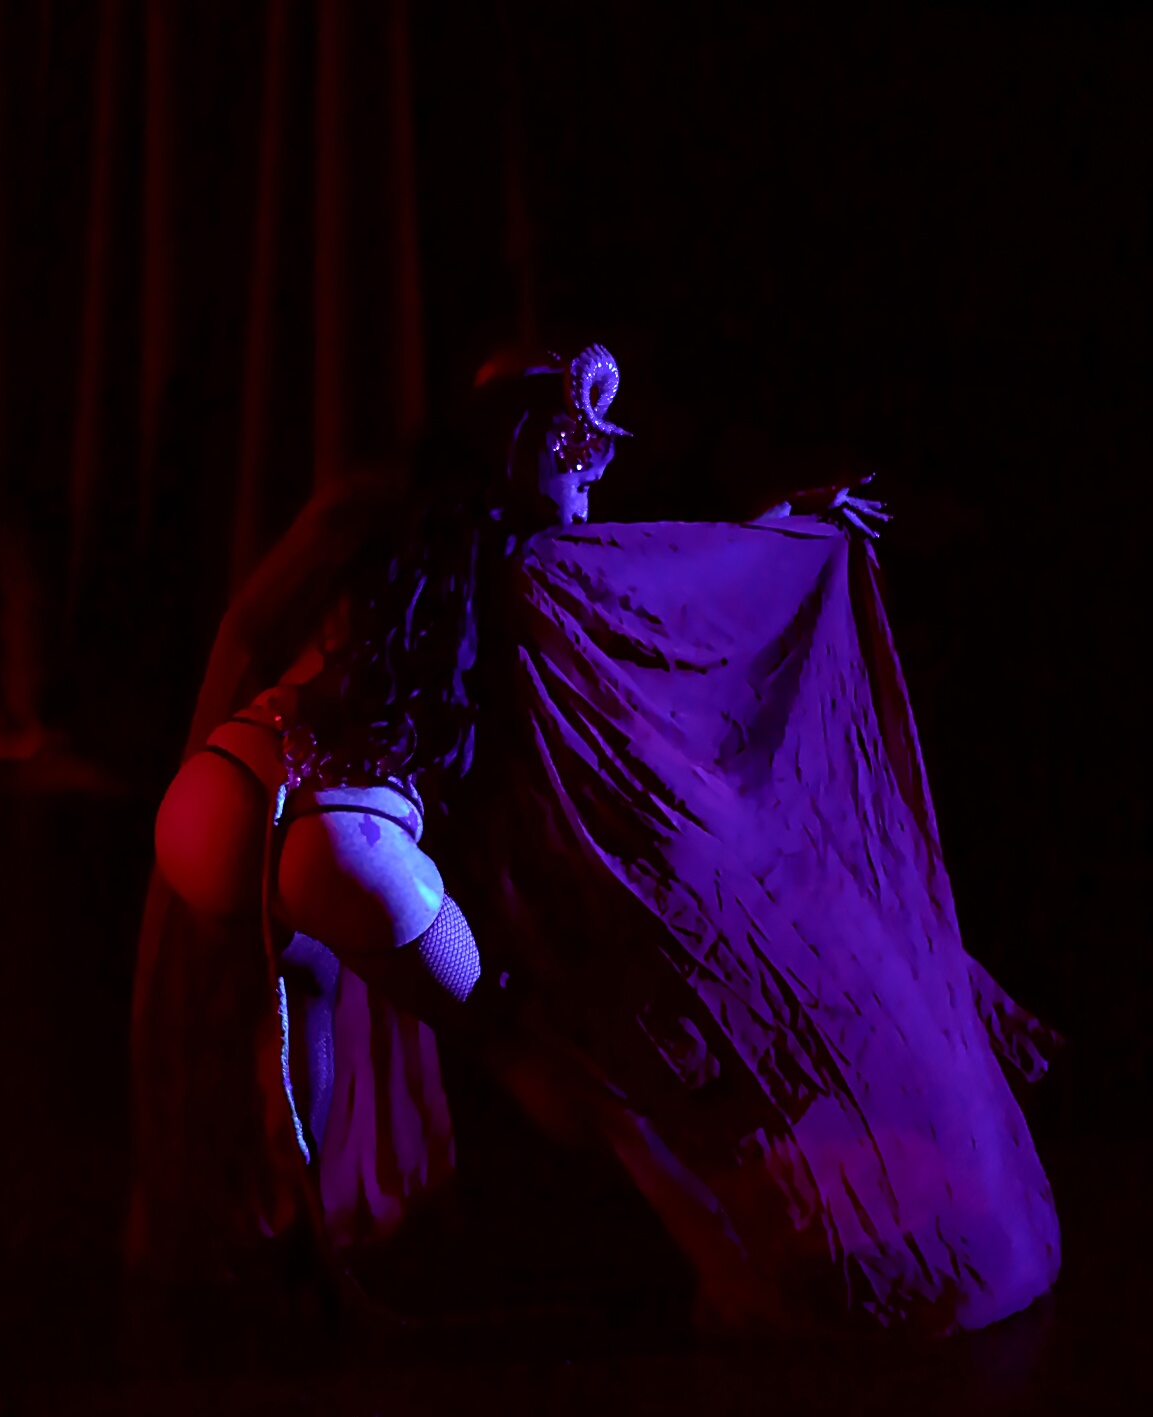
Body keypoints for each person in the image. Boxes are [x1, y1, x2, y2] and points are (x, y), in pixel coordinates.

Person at [132, 343, 1062, 1338]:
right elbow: (684, 591)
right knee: (548, 1060)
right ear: (541, 447)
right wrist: (792, 532)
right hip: (355, 843)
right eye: (581, 464)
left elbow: (248, 626)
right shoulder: (534, 564)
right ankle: (733, 1273)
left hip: (223, 786)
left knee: (283, 1021)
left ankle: (280, 1253)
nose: (589, 491)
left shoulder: (364, 514)